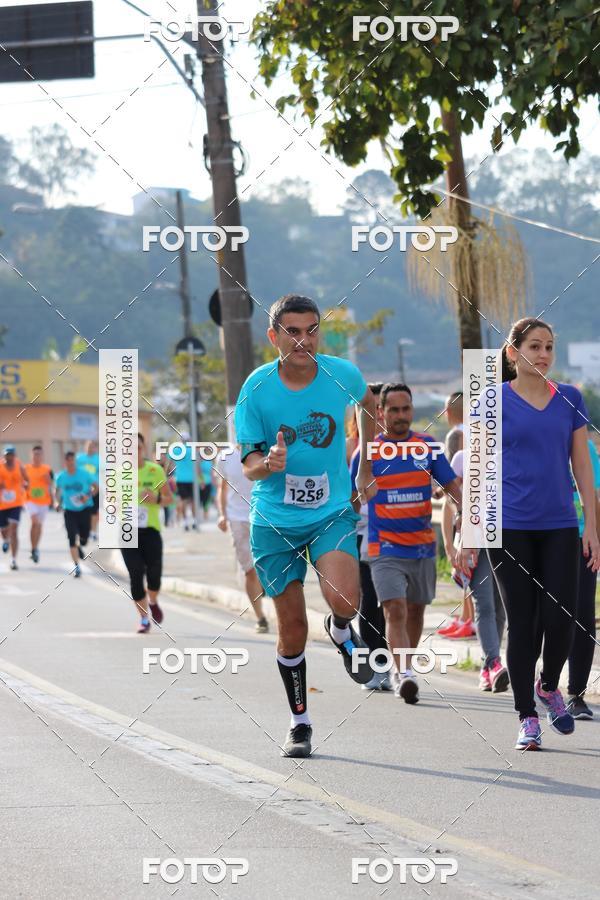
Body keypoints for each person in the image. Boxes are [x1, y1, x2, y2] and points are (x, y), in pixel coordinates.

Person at [235, 294, 378, 759]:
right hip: (274, 519)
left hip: (330, 510)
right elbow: (250, 463)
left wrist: (364, 464)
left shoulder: (343, 374)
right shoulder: (256, 390)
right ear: (273, 336)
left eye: (311, 330)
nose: (303, 340)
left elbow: (368, 403)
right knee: (292, 627)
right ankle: (300, 722)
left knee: (345, 599)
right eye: (292, 331)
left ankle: (341, 629)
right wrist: (268, 463)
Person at [458, 317, 600, 751]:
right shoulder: (490, 401)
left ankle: (548, 686)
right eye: (534, 346)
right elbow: (478, 473)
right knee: (524, 623)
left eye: (549, 347)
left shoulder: (570, 399)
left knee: (563, 620)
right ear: (512, 353)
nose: (542, 354)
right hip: (510, 528)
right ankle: (527, 717)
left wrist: (591, 525)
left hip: (560, 525)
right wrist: (469, 536)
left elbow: (582, 468)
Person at [352, 383, 462, 703]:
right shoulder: (367, 454)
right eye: (394, 410)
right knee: (394, 609)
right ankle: (404, 673)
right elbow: (351, 504)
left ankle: (406, 666)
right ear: (381, 412)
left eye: (406, 409)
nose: (401, 416)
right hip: (384, 546)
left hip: (422, 547)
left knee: (415, 611)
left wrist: (468, 517)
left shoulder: (428, 446)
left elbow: (453, 489)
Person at [442, 448, 508, 691]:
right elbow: (450, 500)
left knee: (500, 607)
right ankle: (494, 662)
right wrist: (451, 543)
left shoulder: (509, 453)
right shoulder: (462, 457)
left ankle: (487, 667)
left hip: (506, 538)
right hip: (475, 541)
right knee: (485, 604)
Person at [350, 382, 391, 692]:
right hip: (363, 536)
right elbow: (349, 498)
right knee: (369, 603)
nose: (376, 415)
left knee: (393, 605)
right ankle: (375, 667)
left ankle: (392, 665)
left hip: (399, 539)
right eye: (370, 409)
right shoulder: (354, 451)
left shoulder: (402, 447)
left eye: (380, 408)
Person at [564, 434, 600, 719]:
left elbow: (595, 495)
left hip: (581, 539)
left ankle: (576, 694)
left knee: (583, 613)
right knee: (544, 614)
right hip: (541, 538)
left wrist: (595, 535)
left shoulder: (585, 447)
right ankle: (544, 681)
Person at [121, 433, 173, 633]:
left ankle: (152, 600)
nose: (134, 452)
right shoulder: (118, 474)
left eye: (138, 448)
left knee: (154, 575)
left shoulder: (155, 471)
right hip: (127, 531)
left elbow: (169, 498)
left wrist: (157, 498)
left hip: (150, 530)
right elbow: (109, 503)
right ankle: (143, 619)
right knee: (135, 575)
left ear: (143, 449)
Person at [215, 444, 269, 633]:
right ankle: (261, 617)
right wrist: (222, 514)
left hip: (263, 515)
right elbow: (222, 488)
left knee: (265, 567)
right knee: (249, 571)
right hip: (237, 519)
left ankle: (264, 589)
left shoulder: (265, 451)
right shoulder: (225, 456)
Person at [55, 451, 96, 577]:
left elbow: (96, 487)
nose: (70, 463)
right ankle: (77, 566)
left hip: (84, 509)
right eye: (68, 460)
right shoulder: (61, 476)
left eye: (72, 460)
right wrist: (57, 502)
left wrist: (87, 496)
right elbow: (57, 491)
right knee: (72, 538)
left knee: (84, 537)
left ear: (75, 461)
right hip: (69, 511)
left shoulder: (84, 474)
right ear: (65, 462)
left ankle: (80, 545)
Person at [24, 445, 54, 564]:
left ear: (42, 456)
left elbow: (52, 483)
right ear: (31, 455)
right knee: (34, 522)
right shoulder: (26, 468)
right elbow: (21, 482)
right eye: (35, 454)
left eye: (39, 454)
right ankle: (33, 547)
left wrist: (49, 481)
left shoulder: (47, 469)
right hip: (30, 500)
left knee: (39, 525)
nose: (37, 456)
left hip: (43, 501)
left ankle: (35, 548)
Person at [0, 445, 28, 571]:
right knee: (4, 529)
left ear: (14, 456)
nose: (9, 457)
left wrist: (26, 485)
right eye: (7, 455)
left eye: (11, 455)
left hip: (16, 502)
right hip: (2, 504)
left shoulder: (19, 465)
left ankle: (13, 559)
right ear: (4, 456)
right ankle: (5, 540)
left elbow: (27, 479)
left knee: (14, 529)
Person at [77, 440, 100, 541]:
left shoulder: (99, 460)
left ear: (95, 448)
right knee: (81, 511)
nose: (90, 448)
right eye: (88, 446)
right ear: (85, 447)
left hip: (95, 488)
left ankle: (93, 532)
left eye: (92, 446)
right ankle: (81, 531)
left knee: (94, 512)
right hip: (81, 489)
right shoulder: (79, 458)